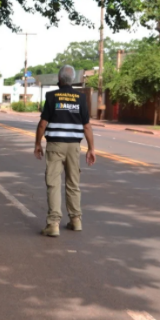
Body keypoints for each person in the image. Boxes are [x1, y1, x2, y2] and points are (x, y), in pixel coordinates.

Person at [34, 65, 96, 237]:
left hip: (55, 146)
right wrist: (91, 148)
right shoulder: (81, 98)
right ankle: (76, 220)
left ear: (59, 80)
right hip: (74, 147)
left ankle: (53, 224)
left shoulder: (52, 96)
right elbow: (87, 126)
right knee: (73, 183)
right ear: (73, 80)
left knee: (54, 183)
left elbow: (42, 124)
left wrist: (37, 144)